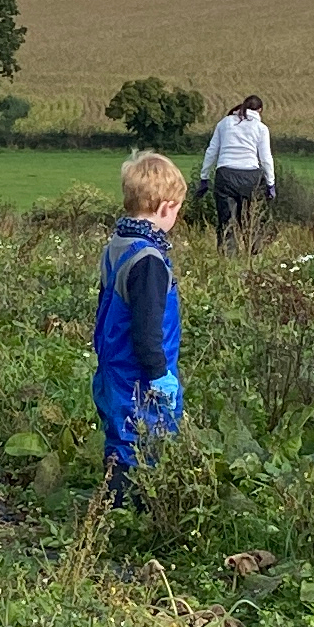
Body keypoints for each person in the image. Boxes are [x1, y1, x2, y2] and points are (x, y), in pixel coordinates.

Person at [93, 150, 187, 498]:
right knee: (142, 443)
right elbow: (146, 328)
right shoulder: (148, 260)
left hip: (114, 364)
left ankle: (114, 507)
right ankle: (127, 515)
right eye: (177, 208)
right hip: (139, 373)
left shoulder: (119, 243)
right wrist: (159, 374)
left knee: (120, 436)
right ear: (165, 208)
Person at [197, 95, 275, 251]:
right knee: (250, 219)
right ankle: (254, 254)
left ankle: (228, 257)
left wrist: (204, 178)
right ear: (260, 110)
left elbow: (212, 151)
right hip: (250, 176)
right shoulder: (261, 128)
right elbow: (265, 158)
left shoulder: (224, 123)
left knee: (226, 220)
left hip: (225, 174)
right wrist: (270, 183)